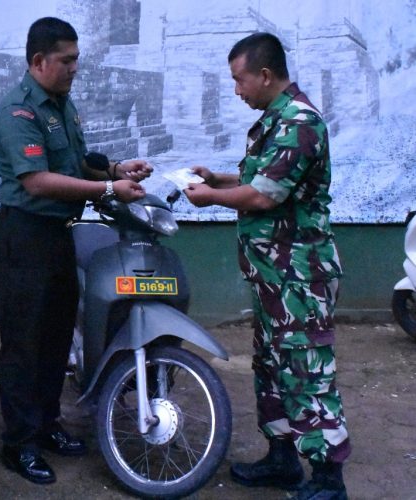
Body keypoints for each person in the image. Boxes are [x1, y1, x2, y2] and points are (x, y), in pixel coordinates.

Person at [184, 32, 350, 499]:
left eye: (239, 81)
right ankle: (282, 460)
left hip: (300, 275)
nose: (237, 91)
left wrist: (213, 197)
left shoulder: (300, 122)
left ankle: (328, 479)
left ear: (264, 74)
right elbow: (262, 175)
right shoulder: (275, 120)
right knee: (273, 365)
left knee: (306, 368)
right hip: (273, 274)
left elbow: (263, 194)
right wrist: (220, 178)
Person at [0, 16, 152, 485]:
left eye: (76, 59)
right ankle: (18, 444)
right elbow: (37, 181)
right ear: (39, 61)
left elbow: (76, 163)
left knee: (57, 337)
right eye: (67, 60)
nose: (75, 68)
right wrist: (107, 192)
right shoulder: (18, 110)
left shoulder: (62, 105)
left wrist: (118, 169)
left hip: (59, 233)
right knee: (23, 344)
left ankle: (46, 426)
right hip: (24, 235)